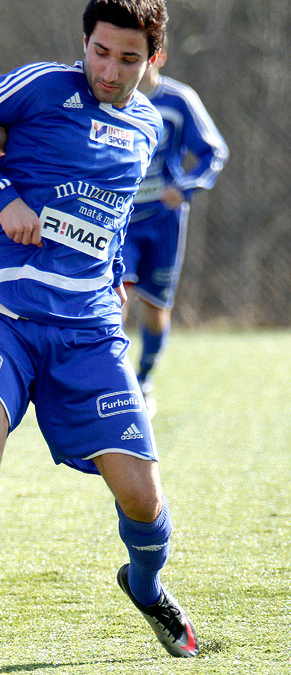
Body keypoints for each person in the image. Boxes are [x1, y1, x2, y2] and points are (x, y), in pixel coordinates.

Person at [0, 0, 199, 675]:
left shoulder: (148, 124)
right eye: (100, 52)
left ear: (152, 60)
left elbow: (113, 206)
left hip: (89, 332)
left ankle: (147, 586)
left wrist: (116, 269)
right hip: (1, 313)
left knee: (143, 500)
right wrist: (3, 196)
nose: (109, 69)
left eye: (128, 59)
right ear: (85, 44)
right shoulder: (42, 84)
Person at [122, 43, 229, 417]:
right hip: (119, 222)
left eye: (135, 57)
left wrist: (184, 187)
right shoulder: (111, 96)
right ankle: (113, 385)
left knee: (154, 308)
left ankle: (145, 380)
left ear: (157, 58)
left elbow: (213, 152)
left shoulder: (178, 100)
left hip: (163, 222)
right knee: (114, 299)